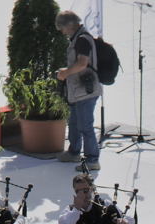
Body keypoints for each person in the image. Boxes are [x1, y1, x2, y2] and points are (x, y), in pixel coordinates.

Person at [55, 10, 102, 172]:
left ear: (69, 25)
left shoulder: (82, 40)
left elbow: (82, 63)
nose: (62, 32)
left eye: (62, 28)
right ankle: (74, 152)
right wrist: (66, 71)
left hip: (86, 91)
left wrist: (65, 73)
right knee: (74, 123)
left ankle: (92, 159)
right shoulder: (77, 39)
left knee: (85, 125)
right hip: (77, 90)